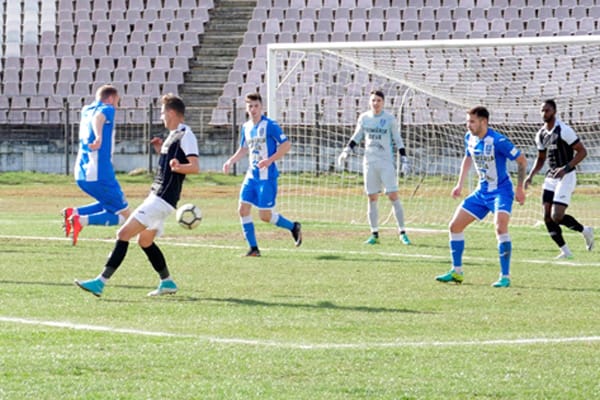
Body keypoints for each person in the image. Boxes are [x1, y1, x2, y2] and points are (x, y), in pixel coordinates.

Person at [75, 93, 199, 297]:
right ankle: (167, 282)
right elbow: (171, 164)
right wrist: (161, 150)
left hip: (161, 199)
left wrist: (178, 167)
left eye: (162, 113)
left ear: (171, 113)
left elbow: (194, 167)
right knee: (145, 241)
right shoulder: (173, 135)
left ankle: (100, 282)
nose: (161, 117)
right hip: (158, 197)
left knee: (123, 234)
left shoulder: (186, 135)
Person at [435, 106, 527, 288]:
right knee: (454, 226)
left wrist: (520, 188)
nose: (468, 125)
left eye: (472, 121)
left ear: (483, 122)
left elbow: (522, 160)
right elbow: (468, 158)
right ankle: (457, 271)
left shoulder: (498, 141)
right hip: (481, 191)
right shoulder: (469, 138)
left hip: (501, 192)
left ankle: (505, 277)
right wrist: (459, 184)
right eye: (467, 121)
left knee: (500, 227)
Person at [222, 92, 302, 257]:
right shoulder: (246, 127)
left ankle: (293, 227)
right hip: (252, 176)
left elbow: (286, 145)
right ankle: (253, 249)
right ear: (246, 108)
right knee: (243, 209)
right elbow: (244, 148)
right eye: (250, 106)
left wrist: (269, 160)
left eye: (256, 106)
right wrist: (230, 161)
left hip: (267, 178)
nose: (253, 109)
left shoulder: (270, 125)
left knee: (265, 216)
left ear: (261, 107)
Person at [337, 89, 411, 245]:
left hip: (386, 162)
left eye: (378, 100)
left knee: (393, 195)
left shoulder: (389, 119)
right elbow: (357, 136)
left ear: (383, 103)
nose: (376, 103)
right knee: (372, 197)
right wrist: (346, 151)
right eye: (373, 100)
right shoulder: (364, 118)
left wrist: (404, 159)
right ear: (369, 102)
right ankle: (374, 234)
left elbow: (397, 139)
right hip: (369, 162)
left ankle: (402, 232)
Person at [524, 99, 594, 258]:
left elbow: (582, 152)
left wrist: (565, 169)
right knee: (547, 216)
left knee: (557, 216)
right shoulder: (541, 134)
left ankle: (585, 231)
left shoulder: (564, 130)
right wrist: (530, 175)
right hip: (551, 177)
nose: (544, 113)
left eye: (547, 110)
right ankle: (566, 251)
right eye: (542, 110)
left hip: (567, 176)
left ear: (554, 112)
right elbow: (541, 158)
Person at [63, 84, 130, 245]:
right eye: (117, 101)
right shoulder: (107, 109)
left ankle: (74, 212)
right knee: (124, 215)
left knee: (108, 203)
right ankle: (80, 220)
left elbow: (94, 117)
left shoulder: (86, 109)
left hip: (81, 171)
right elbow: (99, 117)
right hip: (99, 172)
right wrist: (99, 137)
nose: (117, 105)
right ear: (111, 98)